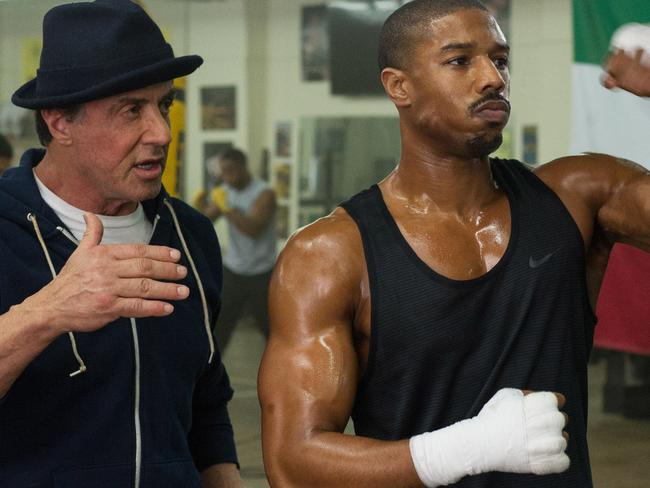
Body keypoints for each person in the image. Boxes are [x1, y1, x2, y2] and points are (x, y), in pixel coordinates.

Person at [258, 1, 650, 487]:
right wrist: (465, 449)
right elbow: (292, 463)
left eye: (500, 60)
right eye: (460, 60)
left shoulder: (579, 195)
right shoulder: (330, 255)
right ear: (398, 86)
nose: (492, 78)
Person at [0, 1, 240, 486]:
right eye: (131, 110)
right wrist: (45, 313)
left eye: (164, 104)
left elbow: (205, 403)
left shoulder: (190, 235)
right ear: (60, 121)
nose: (162, 132)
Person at [194, 148, 276, 352]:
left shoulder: (265, 193)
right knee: (219, 330)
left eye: (230, 170)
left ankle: (286, 377)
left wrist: (228, 208)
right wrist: (199, 205)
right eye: (223, 171)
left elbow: (253, 229)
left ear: (242, 166)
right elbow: (204, 222)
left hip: (262, 273)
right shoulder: (226, 191)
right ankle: (208, 379)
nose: (226, 176)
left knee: (273, 331)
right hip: (234, 271)